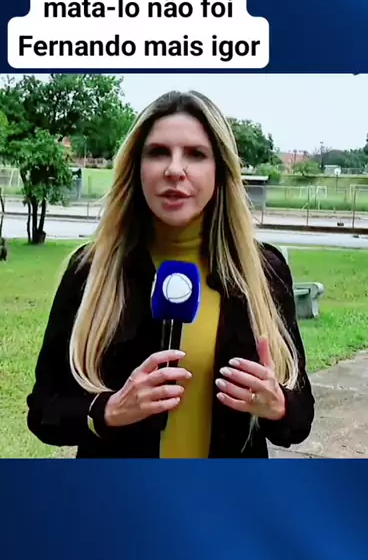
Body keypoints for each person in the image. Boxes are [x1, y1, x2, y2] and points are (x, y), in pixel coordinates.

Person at [27, 91, 315, 458]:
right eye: (158, 152)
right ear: (136, 168)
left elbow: (300, 420)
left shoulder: (263, 272)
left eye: (196, 154)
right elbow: (44, 412)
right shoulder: (91, 270)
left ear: (220, 171)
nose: (175, 170)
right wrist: (109, 411)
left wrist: (278, 405)